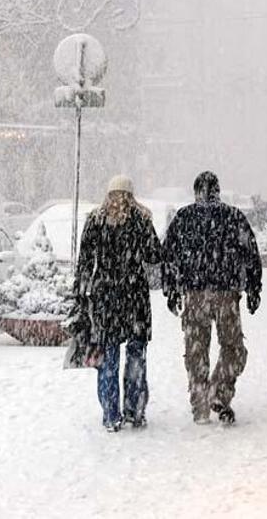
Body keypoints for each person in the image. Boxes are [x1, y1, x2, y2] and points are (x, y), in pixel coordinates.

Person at [162, 171, 262, 425]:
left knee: (196, 351)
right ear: (218, 190)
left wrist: (171, 288)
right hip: (225, 294)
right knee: (233, 348)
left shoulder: (184, 218)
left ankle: (200, 403)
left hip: (195, 295)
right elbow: (250, 253)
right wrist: (253, 287)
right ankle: (219, 391)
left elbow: (169, 256)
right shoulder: (232, 217)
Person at [74, 175, 162, 432]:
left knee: (108, 359)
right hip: (134, 298)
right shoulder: (141, 221)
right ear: (131, 194)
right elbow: (154, 255)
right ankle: (134, 411)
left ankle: (111, 414)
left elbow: (85, 262)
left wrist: (81, 293)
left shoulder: (95, 220)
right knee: (136, 357)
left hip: (106, 299)